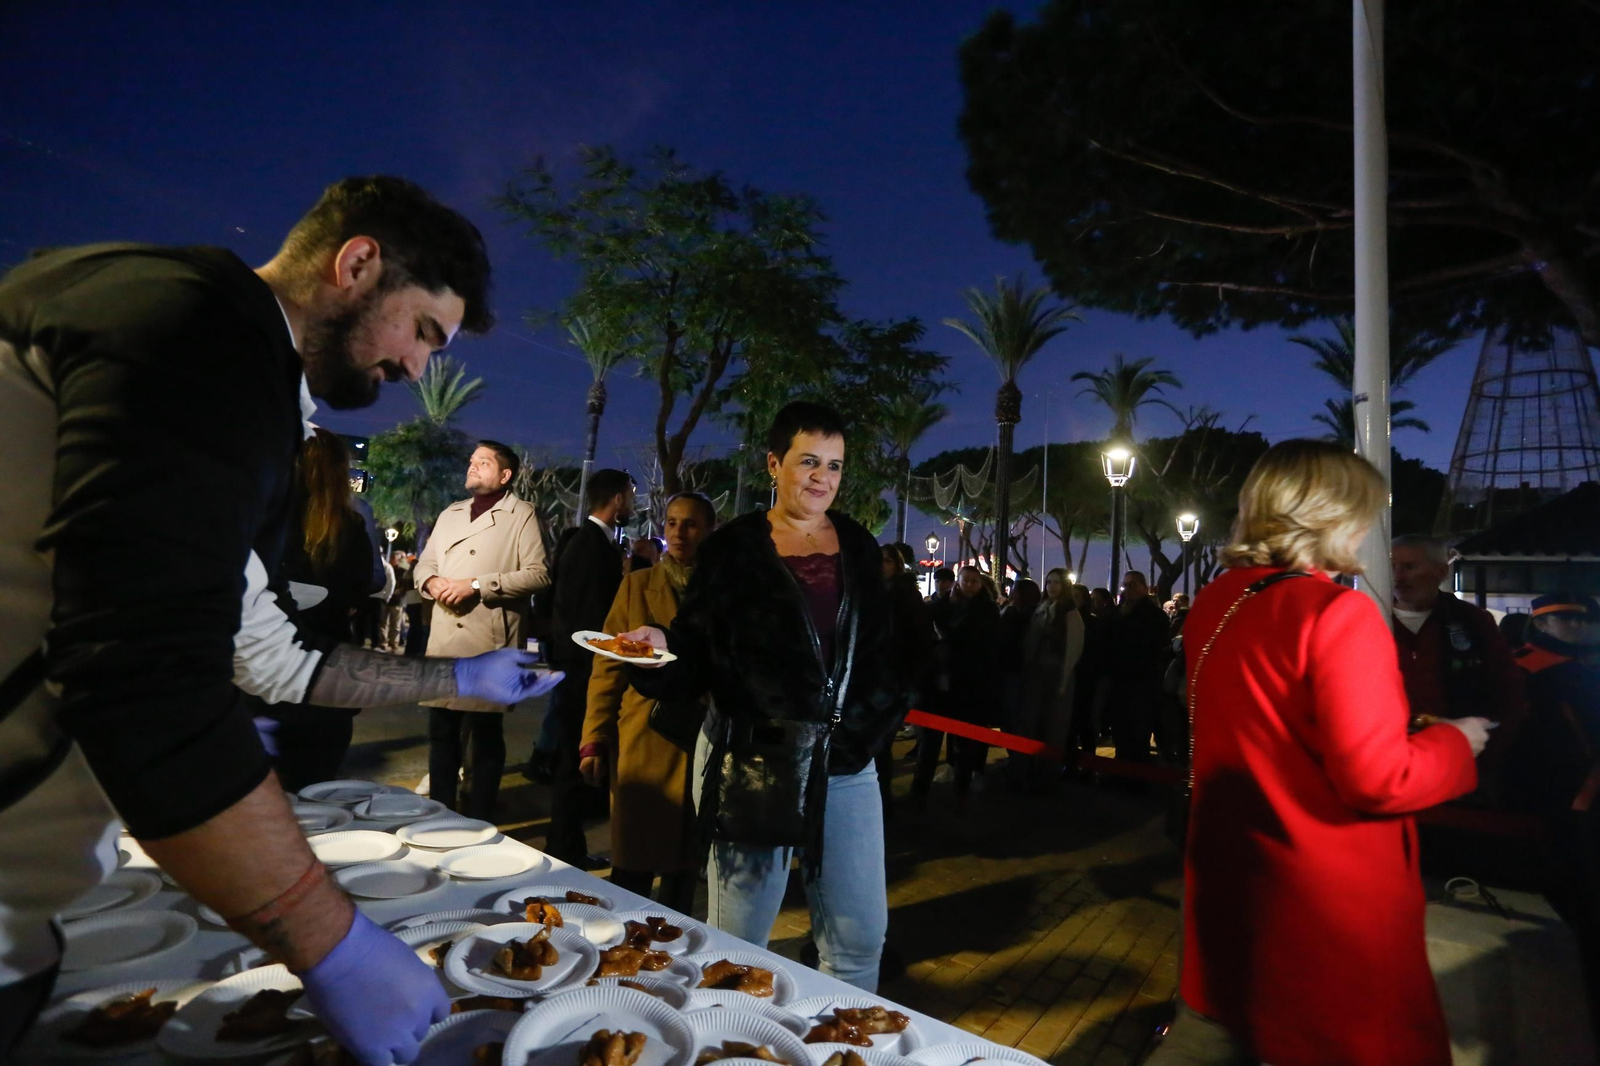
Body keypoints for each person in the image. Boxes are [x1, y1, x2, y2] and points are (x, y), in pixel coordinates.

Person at [0, 175, 563, 1064]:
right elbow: (145, 675)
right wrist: (327, 940)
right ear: (358, 263)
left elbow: (271, 658)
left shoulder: (246, 381)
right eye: (422, 332)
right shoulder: (200, 328)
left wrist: (459, 678)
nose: (419, 370)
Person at [1152, 440, 1488, 1066]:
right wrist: (1455, 742)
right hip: (1322, 895)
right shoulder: (1338, 614)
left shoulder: (1220, 600)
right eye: (1366, 512)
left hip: (1233, 866)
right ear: (1333, 514)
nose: (1369, 531)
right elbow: (1379, 780)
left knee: (1214, 1035)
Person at [622, 402, 903, 991]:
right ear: (775, 465)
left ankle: (840, 1049)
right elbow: (697, 649)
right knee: (737, 948)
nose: (822, 477)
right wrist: (658, 650)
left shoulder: (856, 543)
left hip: (846, 763)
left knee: (859, 941)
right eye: (808, 462)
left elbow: (886, 650)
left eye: (834, 464)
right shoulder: (733, 548)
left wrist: (870, 724)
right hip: (751, 762)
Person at [580, 492, 715, 911]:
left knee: (683, 876)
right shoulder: (637, 585)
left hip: (700, 740)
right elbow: (607, 669)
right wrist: (594, 738)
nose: (679, 533)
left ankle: (669, 958)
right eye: (672, 523)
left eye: (690, 524)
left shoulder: (724, 592)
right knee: (631, 870)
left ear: (710, 530)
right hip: (642, 740)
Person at [414, 441, 549, 822]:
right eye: (472, 461)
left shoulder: (521, 514)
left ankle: (479, 820)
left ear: (504, 476)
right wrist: (433, 583)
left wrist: (475, 586)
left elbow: (539, 574)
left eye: (483, 462)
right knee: (441, 735)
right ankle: (439, 816)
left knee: (486, 738)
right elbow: (424, 565)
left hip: (489, 640)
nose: (473, 466)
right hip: (445, 639)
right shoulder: (450, 513)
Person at [255, 428, 383, 790]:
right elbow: (365, 586)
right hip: (325, 675)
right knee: (318, 792)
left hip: (265, 676)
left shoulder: (263, 519)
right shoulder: (352, 524)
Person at [543, 468, 635, 866]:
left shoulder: (583, 541)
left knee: (570, 760)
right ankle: (565, 849)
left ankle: (565, 845)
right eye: (630, 495)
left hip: (572, 664)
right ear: (616, 500)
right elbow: (597, 616)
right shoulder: (593, 547)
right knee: (571, 762)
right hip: (582, 668)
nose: (632, 503)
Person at [1391, 534, 1527, 738]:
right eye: (1392, 567)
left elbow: (1508, 692)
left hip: (1461, 751)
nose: (1398, 577)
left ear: (1441, 571)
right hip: (1387, 750)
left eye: (1410, 567)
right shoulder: (1369, 618)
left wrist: (1488, 752)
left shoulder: (1473, 621)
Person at [912, 565, 1000, 803]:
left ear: (980, 585)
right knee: (929, 742)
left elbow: (982, 646)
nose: (969, 585)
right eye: (965, 581)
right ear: (957, 583)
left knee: (963, 743)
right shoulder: (943, 606)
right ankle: (919, 793)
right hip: (939, 682)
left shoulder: (987, 610)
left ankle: (960, 792)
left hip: (968, 684)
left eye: (974, 581)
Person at [1015, 568, 1085, 791]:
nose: (1052, 586)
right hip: (1036, 674)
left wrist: (1063, 681)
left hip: (1056, 675)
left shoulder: (1070, 614)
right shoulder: (1042, 608)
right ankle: (1030, 771)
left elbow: (1073, 651)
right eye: (1049, 582)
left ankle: (1047, 776)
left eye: (1056, 583)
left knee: (1054, 728)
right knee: (1032, 723)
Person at [1106, 571, 1170, 765]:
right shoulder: (1119, 612)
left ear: (1144, 587)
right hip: (1120, 679)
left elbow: (1153, 645)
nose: (1128, 589)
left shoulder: (1154, 615)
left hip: (1142, 680)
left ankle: (1136, 774)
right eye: (1125, 585)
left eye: (1133, 584)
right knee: (1120, 728)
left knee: (1138, 730)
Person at [997, 577, 1042, 736]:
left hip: (1015, 670)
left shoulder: (1021, 615)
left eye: (1014, 591)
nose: (1011, 594)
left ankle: (1018, 758)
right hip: (1016, 669)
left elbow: (1005, 637)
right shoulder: (1029, 612)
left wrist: (1007, 611)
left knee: (1012, 716)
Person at [382, 549, 414, 652]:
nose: (393, 560)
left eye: (395, 559)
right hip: (386, 599)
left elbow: (405, 586)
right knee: (384, 623)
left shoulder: (402, 571)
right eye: (392, 558)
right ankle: (383, 642)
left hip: (397, 600)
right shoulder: (387, 569)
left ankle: (394, 644)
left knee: (395, 625)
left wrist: (399, 592)